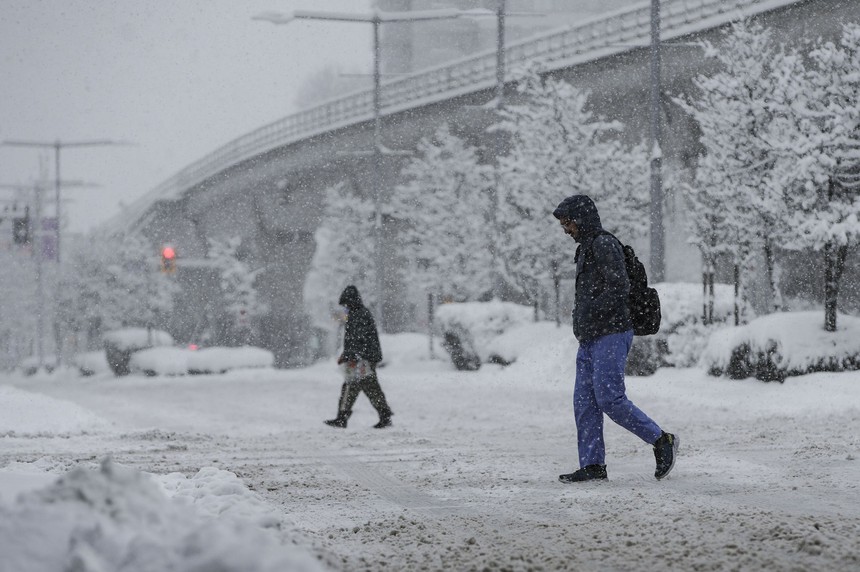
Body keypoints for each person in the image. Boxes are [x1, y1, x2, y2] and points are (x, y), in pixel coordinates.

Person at [553, 195, 677, 482]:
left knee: (610, 398)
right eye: (563, 224)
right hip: (590, 336)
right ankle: (593, 465)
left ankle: (662, 440)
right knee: (584, 402)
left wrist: (590, 314)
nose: (565, 229)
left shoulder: (604, 244)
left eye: (568, 222)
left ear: (581, 219)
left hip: (612, 332)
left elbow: (618, 288)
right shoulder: (585, 248)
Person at [324, 285, 394, 429]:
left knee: (354, 386)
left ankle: (343, 417)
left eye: (346, 305)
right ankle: (383, 415)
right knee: (367, 387)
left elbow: (358, 339)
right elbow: (354, 340)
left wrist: (352, 356)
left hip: (362, 359)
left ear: (350, 302)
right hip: (365, 357)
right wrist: (346, 355)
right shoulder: (359, 313)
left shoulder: (358, 315)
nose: (345, 308)